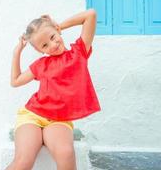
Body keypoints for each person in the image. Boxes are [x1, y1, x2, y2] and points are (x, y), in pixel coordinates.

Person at [7, 9, 101, 170]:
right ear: (40, 50)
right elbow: (15, 81)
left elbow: (90, 15)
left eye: (52, 37)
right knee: (23, 162)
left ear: (57, 32)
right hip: (32, 116)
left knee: (66, 154)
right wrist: (17, 52)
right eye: (45, 45)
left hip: (59, 119)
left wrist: (58, 26)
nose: (52, 45)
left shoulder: (79, 52)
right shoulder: (41, 64)